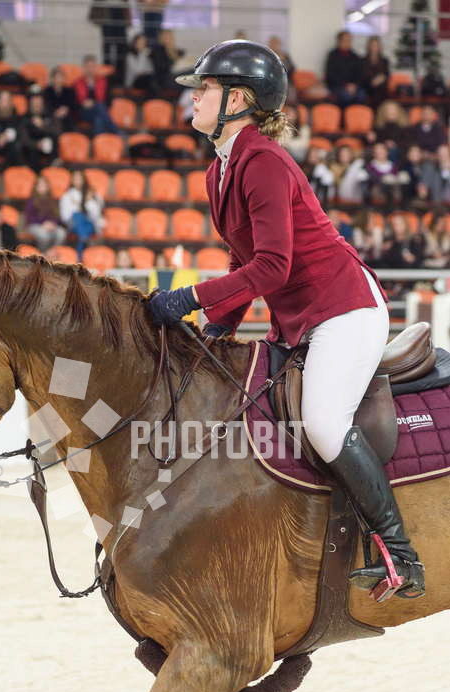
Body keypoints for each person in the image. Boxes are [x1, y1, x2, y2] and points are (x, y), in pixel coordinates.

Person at [148, 39, 425, 600]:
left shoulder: (265, 162)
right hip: (300, 316)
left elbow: (272, 267)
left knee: (322, 421)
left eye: (204, 89)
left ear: (238, 100)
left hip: (344, 307)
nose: (193, 98)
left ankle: (400, 554)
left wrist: (189, 298)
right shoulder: (219, 170)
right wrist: (218, 328)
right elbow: (243, 261)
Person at [59, 169, 104, 257]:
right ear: (72, 180)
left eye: (80, 178)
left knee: (85, 227)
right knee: (78, 216)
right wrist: (78, 208)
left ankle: (80, 253)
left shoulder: (92, 193)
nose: (78, 181)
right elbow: (65, 217)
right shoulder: (67, 196)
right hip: (73, 224)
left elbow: (96, 215)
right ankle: (84, 241)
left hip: (90, 224)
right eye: (75, 179)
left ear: (84, 180)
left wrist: (89, 201)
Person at [73, 55, 119, 134]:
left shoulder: (103, 81)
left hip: (100, 111)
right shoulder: (77, 83)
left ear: (96, 68)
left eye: (92, 66)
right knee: (99, 107)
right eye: (88, 66)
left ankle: (99, 140)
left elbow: (108, 100)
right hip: (84, 112)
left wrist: (94, 103)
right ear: (83, 68)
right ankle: (116, 131)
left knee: (98, 119)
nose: (90, 69)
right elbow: (73, 102)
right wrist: (82, 103)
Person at [88, 0, 130, 83]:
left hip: (120, 10)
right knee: (107, 51)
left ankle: (120, 80)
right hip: (107, 13)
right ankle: (107, 79)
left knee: (121, 50)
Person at [24, 175, 67, 251]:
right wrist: (43, 224)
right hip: (35, 225)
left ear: (48, 187)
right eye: (40, 185)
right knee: (44, 235)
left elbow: (57, 216)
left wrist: (53, 223)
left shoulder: (52, 200)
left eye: (44, 185)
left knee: (61, 233)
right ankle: (43, 253)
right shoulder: (31, 201)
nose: (42, 187)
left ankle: (53, 252)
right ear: (36, 187)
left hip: (51, 225)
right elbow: (29, 218)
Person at [20, 90, 60, 171]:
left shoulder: (49, 116)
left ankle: (52, 168)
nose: (37, 106)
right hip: (31, 152)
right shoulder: (24, 118)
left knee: (53, 140)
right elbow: (23, 139)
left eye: (39, 103)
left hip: (49, 151)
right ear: (30, 104)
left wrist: (43, 126)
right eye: (34, 104)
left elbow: (57, 131)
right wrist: (37, 144)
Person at [325, 30, 366, 107]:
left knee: (361, 95)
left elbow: (359, 74)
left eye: (349, 40)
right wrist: (345, 85)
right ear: (339, 41)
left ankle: (356, 114)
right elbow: (330, 75)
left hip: (354, 87)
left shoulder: (355, 56)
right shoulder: (332, 56)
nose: (347, 43)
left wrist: (354, 85)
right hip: (338, 86)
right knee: (346, 96)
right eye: (345, 40)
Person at [44, 67, 78, 132]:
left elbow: (73, 105)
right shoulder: (47, 91)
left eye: (60, 77)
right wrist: (55, 112)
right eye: (56, 78)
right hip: (53, 116)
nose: (58, 80)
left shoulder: (69, 91)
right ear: (52, 79)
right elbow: (46, 105)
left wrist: (66, 110)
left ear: (63, 79)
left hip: (67, 116)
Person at [360, 36, 389, 108]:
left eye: (376, 45)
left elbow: (386, 74)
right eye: (373, 45)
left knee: (381, 90)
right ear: (369, 46)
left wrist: (380, 79)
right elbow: (362, 75)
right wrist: (372, 81)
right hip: (367, 86)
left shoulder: (384, 61)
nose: (374, 47)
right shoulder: (362, 60)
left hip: (381, 87)